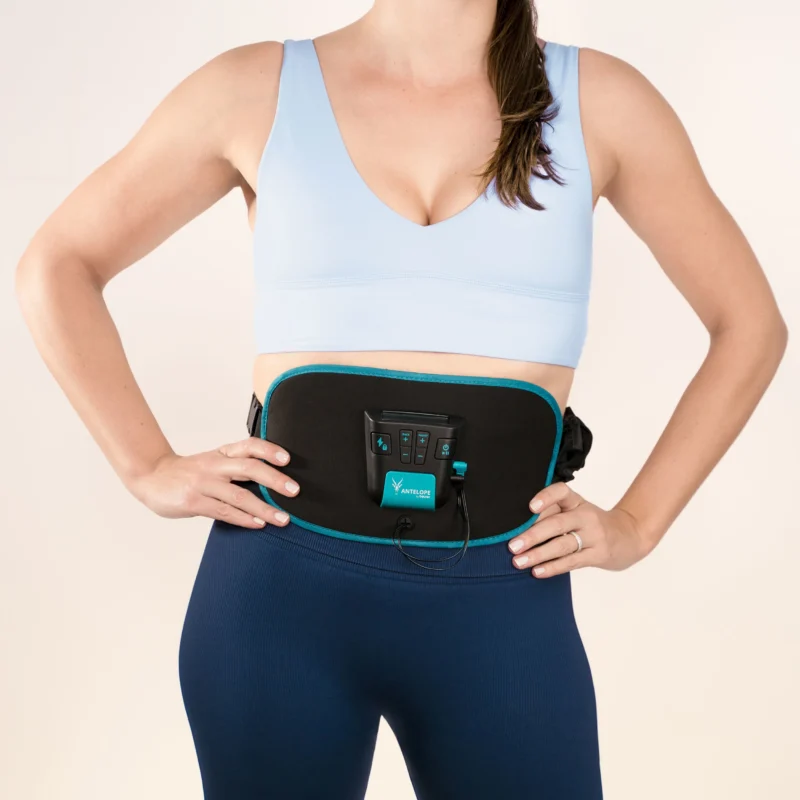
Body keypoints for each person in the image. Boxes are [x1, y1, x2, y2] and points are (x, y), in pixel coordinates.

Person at [15, 1, 787, 798]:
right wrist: (145, 464)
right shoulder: (251, 89)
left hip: (502, 603)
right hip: (278, 601)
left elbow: (750, 326)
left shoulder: (603, 102)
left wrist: (639, 523)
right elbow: (58, 263)